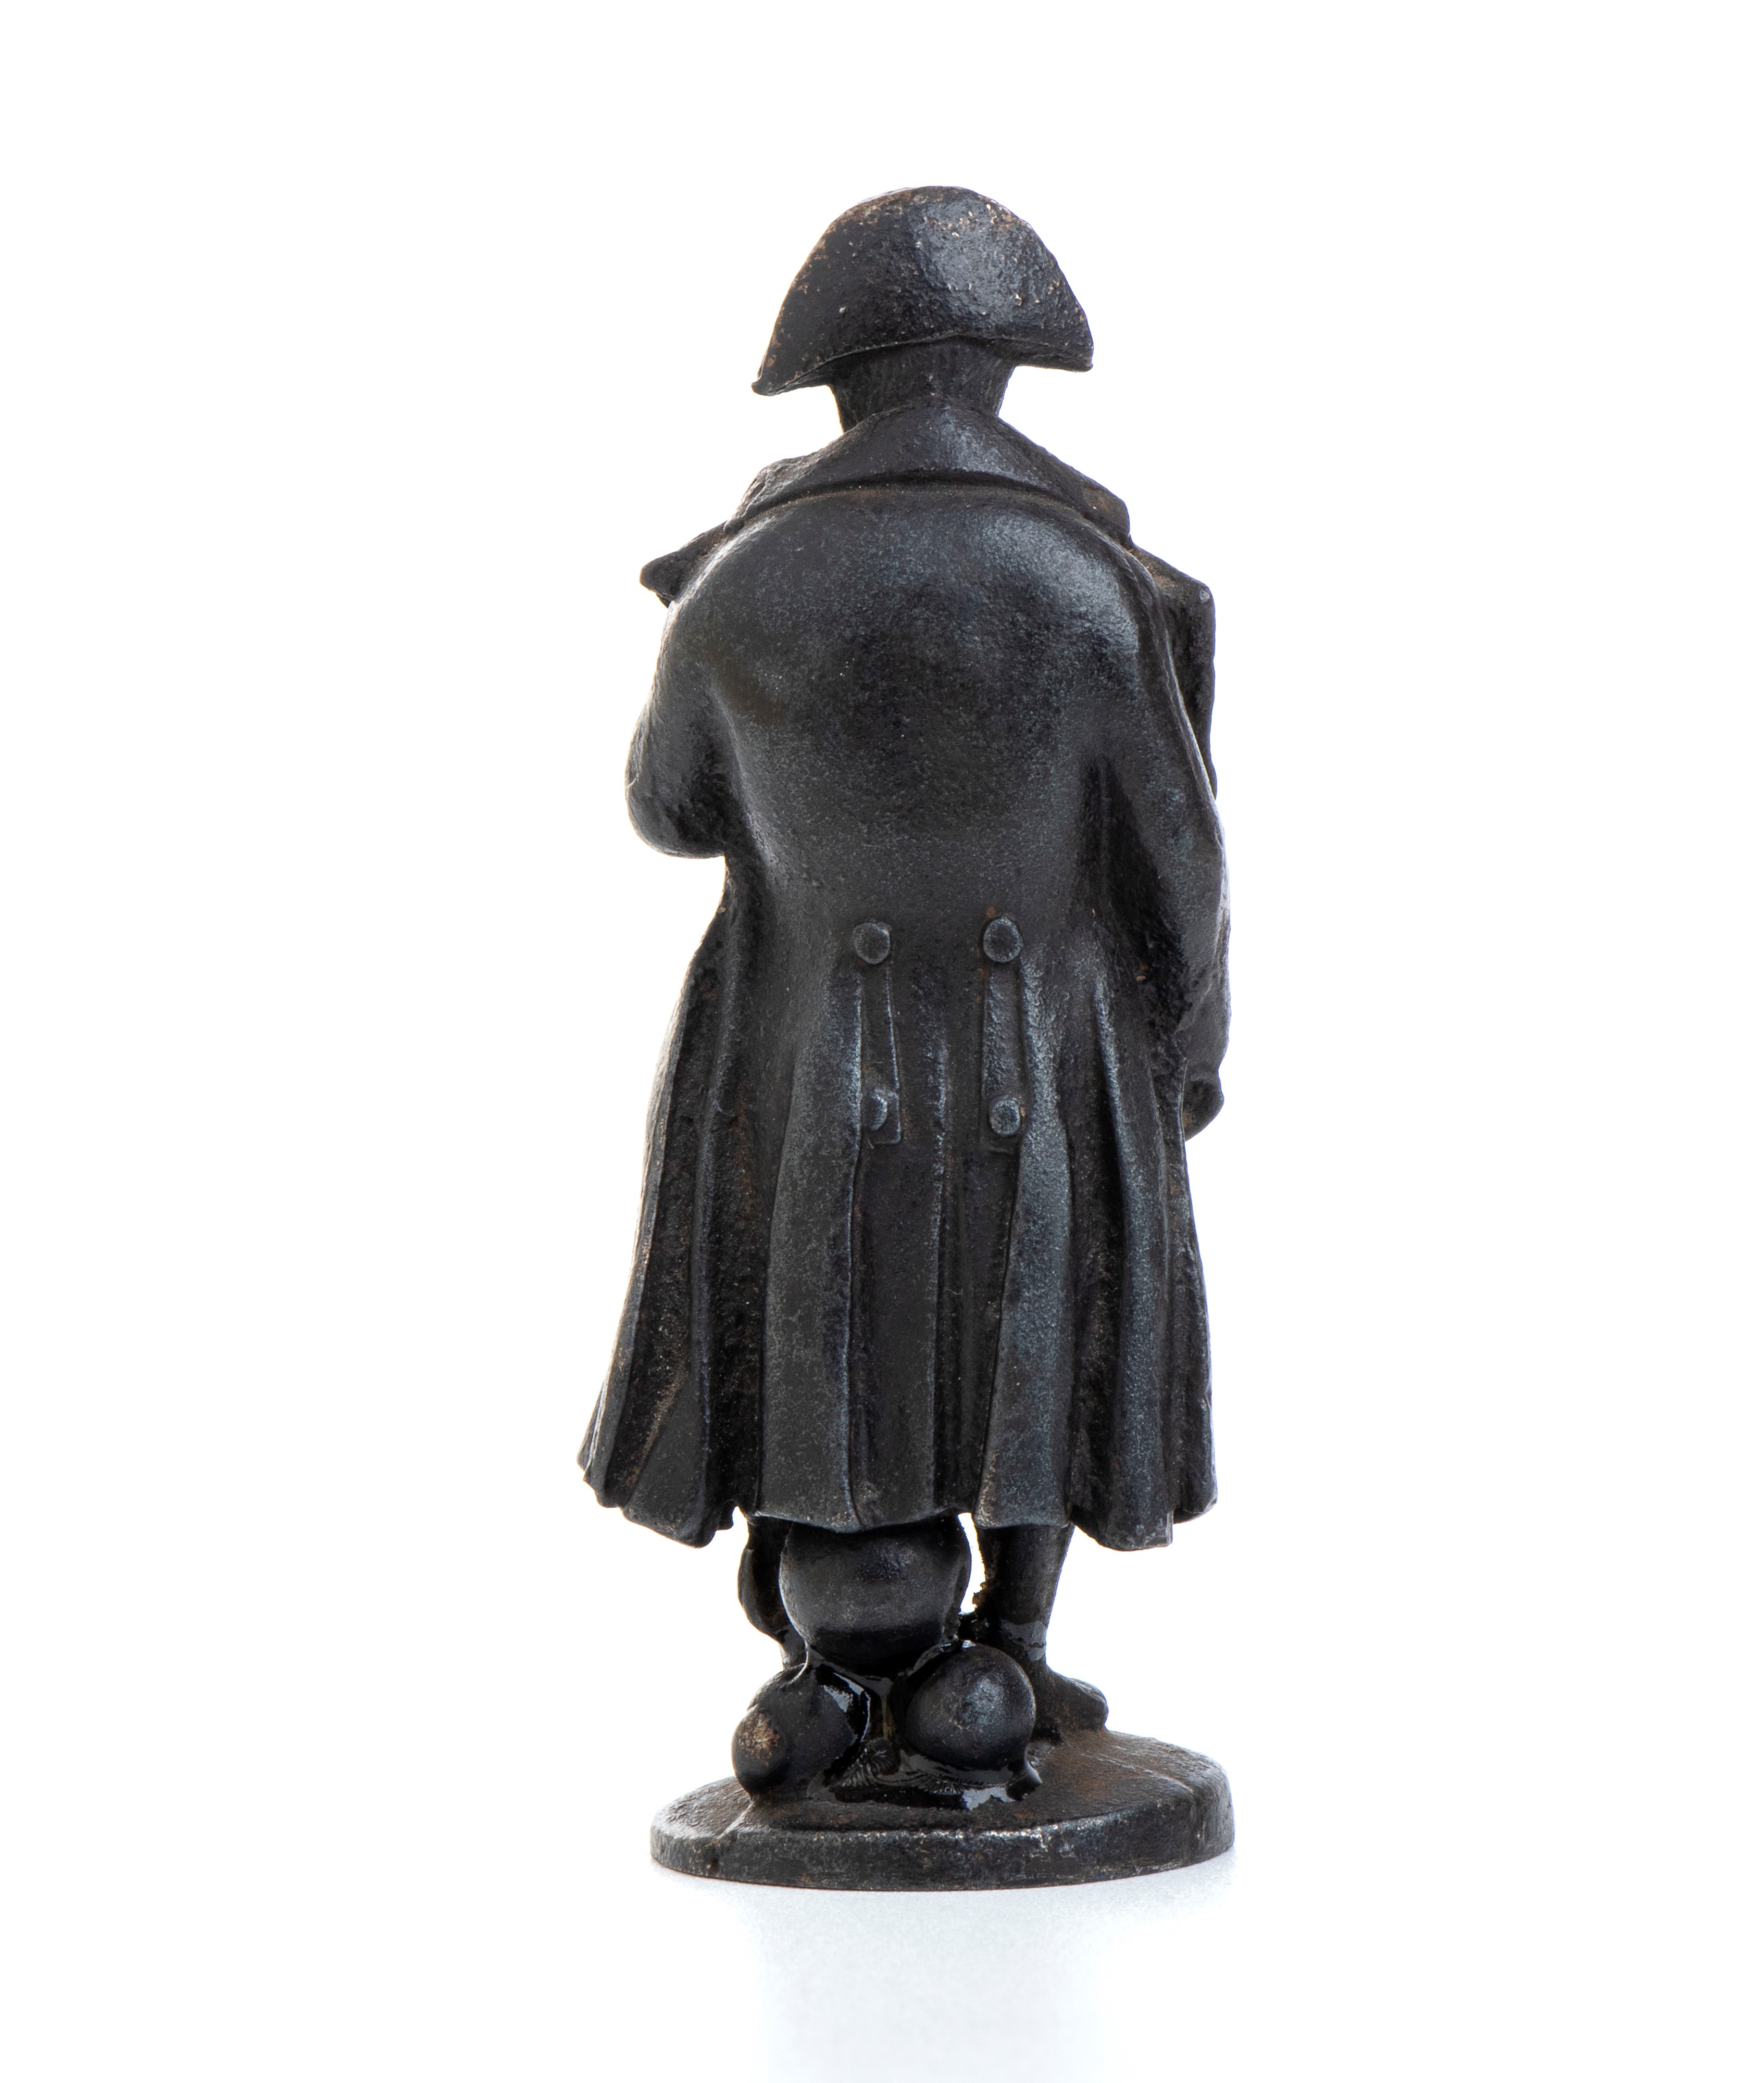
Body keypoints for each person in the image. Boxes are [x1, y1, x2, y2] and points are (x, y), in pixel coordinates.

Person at [580, 188, 1230, 1765]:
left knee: (834, 1330)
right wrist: (1193, 1032)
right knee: (1030, 1328)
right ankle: (1003, 1644)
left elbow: (668, 810)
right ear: (995, 368)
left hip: (806, 1035)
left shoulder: (742, 580)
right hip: (1041, 1028)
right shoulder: (1082, 575)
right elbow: (1179, 852)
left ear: (838, 376)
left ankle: (868, 1660)